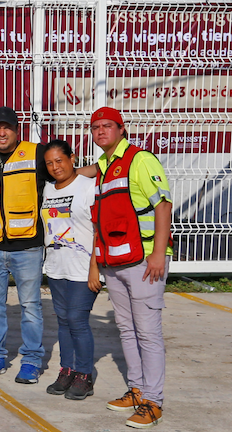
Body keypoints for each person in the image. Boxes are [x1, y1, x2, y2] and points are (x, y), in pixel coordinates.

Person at [88, 107, 172, 429]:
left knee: (148, 333)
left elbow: (163, 205)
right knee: (126, 328)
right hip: (115, 261)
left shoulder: (140, 160)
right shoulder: (104, 166)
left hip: (145, 259)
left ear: (121, 129)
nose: (101, 131)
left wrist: (158, 254)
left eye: (107, 126)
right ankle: (136, 390)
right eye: (95, 127)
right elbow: (83, 174)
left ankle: (153, 401)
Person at [0, 107, 47, 384]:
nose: (2, 133)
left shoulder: (36, 153)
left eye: (8, 127)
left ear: (17, 130)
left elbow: (64, 174)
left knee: (30, 306)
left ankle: (31, 360)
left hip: (28, 246)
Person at [40, 139, 98, 401]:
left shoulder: (88, 187)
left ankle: (84, 374)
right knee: (63, 321)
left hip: (83, 268)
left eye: (60, 160)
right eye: (50, 163)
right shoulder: (47, 189)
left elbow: (98, 230)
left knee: (77, 320)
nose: (55, 167)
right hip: (56, 268)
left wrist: (95, 268)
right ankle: (67, 370)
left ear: (72, 158)